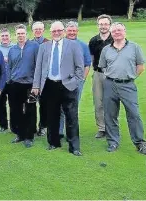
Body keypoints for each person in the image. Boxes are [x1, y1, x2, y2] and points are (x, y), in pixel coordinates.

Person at [32, 21, 84, 156]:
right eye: (54, 31)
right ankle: (53, 142)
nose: (56, 33)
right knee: (52, 117)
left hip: (68, 85)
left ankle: (74, 147)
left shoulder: (73, 45)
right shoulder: (44, 47)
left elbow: (80, 67)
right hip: (49, 85)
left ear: (64, 31)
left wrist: (74, 82)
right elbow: (38, 68)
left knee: (71, 117)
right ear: (50, 32)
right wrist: (36, 86)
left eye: (59, 30)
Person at [99, 22, 146, 154]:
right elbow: (103, 66)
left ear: (124, 31)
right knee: (110, 114)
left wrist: (129, 76)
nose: (117, 33)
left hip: (128, 85)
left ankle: (140, 143)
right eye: (114, 31)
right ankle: (113, 142)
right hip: (110, 84)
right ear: (111, 33)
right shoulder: (106, 49)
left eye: (119, 30)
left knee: (134, 114)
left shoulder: (134, 47)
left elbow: (140, 66)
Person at [7, 24, 39, 148]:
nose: (20, 35)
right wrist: (10, 80)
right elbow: (9, 67)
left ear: (26, 34)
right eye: (18, 34)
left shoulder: (34, 46)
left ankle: (29, 136)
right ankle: (20, 134)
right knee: (16, 110)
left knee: (31, 110)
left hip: (31, 85)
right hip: (15, 85)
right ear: (15, 35)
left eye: (22, 33)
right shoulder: (12, 49)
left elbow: (38, 65)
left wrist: (36, 84)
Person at [59, 21, 92, 136]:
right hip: (61, 81)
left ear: (77, 31)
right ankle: (59, 132)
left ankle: (71, 133)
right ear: (65, 32)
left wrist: (82, 80)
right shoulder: (59, 44)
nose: (72, 33)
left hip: (76, 81)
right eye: (69, 30)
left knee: (72, 107)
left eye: (74, 31)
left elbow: (87, 64)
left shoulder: (82, 45)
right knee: (60, 107)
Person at [89, 14, 114, 139]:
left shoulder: (115, 39)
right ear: (98, 25)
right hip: (98, 74)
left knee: (111, 102)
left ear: (109, 25)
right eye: (101, 24)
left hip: (112, 75)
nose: (103, 26)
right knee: (98, 102)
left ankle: (111, 128)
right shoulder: (94, 40)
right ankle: (101, 128)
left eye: (106, 24)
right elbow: (92, 59)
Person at [0, 28, 16, 133]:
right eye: (2, 36)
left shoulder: (16, 47)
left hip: (13, 81)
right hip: (0, 81)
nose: (5, 38)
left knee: (14, 104)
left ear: (10, 37)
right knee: (0, 105)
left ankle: (14, 126)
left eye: (6, 36)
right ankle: (3, 126)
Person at [32, 21, 50, 137]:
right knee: (30, 104)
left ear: (43, 30)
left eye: (40, 29)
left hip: (45, 80)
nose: (38, 31)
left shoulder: (49, 43)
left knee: (44, 105)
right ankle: (31, 127)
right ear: (33, 31)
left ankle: (43, 126)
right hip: (31, 80)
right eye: (35, 29)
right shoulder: (29, 44)